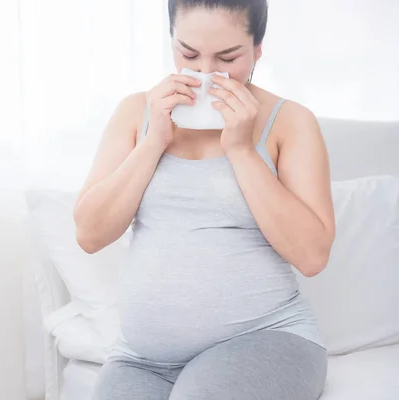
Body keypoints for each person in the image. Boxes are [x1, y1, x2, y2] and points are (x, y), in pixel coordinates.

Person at [73, 0, 335, 398]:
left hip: (265, 337)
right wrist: (154, 141)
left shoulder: (290, 121)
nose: (205, 73)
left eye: (227, 57)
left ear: (257, 51)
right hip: (141, 359)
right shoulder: (135, 113)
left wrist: (242, 150)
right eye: (188, 54)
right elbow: (90, 234)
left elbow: (313, 256)